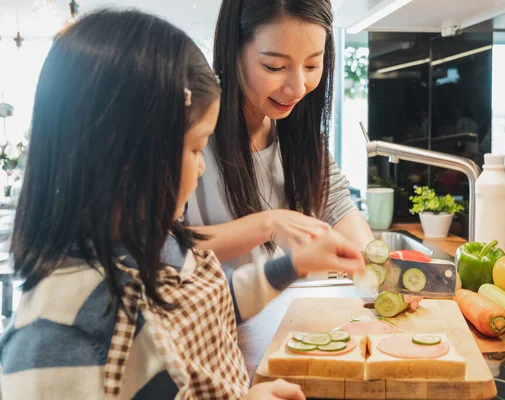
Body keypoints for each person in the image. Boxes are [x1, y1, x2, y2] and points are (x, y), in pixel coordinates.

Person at [0, 10, 364, 399]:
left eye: (313, 64)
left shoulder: (159, 246)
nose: (203, 163)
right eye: (194, 149)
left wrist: (295, 265)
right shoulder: (59, 340)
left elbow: (217, 301)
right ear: (122, 156)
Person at [186, 0, 377, 323]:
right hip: (212, 328)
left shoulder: (297, 133)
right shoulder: (191, 136)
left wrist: (381, 267)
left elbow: (339, 207)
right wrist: (268, 224)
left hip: (280, 326)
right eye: (275, 67)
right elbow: (162, 247)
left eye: (313, 65)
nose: (298, 87)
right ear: (234, 51)